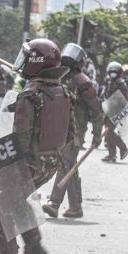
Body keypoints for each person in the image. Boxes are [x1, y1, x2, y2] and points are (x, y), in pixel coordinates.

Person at [0, 38, 74, 254]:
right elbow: (70, 132)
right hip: (51, 161)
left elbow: (20, 140)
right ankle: (35, 248)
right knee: (17, 198)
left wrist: (9, 166)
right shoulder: (62, 90)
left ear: (35, 61)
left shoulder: (30, 94)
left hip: (30, 162)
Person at [43, 43, 102, 219]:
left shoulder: (82, 82)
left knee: (65, 164)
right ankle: (76, 207)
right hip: (60, 127)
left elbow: (96, 109)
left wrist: (97, 134)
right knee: (69, 166)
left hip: (75, 130)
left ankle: (54, 203)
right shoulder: (59, 78)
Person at [101, 62, 128, 163]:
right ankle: (111, 155)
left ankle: (123, 148)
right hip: (109, 111)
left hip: (115, 111)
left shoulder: (120, 83)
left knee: (109, 132)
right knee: (108, 132)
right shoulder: (110, 83)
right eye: (111, 72)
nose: (113, 74)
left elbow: (124, 99)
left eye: (115, 72)